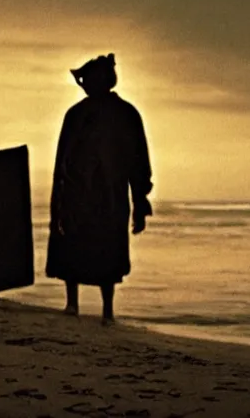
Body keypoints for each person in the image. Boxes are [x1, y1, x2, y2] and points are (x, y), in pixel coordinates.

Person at [46, 53, 153, 324]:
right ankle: (73, 303)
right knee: (71, 245)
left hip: (110, 194)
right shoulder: (76, 114)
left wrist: (140, 200)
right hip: (76, 191)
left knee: (108, 250)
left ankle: (107, 310)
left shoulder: (126, 115)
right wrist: (58, 201)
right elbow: (62, 160)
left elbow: (138, 161)